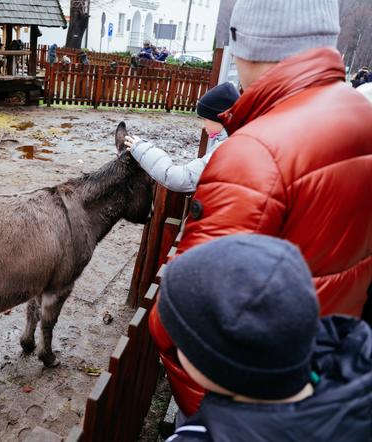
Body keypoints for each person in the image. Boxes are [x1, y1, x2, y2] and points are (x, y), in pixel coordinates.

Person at [150, 0, 372, 418]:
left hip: (240, 398)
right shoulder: (362, 114)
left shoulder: (255, 152)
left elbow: (190, 314)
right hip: (321, 377)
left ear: (247, 44)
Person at [157, 234, 372, 441]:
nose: (177, 346)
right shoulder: (355, 383)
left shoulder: (199, 436)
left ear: (217, 362)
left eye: (183, 338)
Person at [124, 82, 240, 193]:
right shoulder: (237, 139)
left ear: (222, 118)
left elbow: (181, 178)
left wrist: (142, 149)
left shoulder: (226, 149)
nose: (204, 126)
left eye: (205, 119)